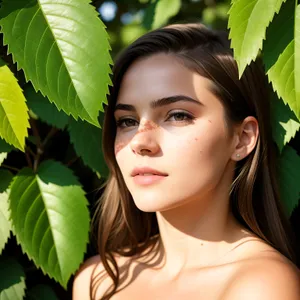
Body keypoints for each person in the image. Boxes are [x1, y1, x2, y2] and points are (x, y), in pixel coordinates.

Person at [72, 23, 300, 300]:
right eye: (127, 121)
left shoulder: (263, 286)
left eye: (177, 115)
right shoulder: (97, 280)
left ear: (242, 139)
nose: (140, 142)